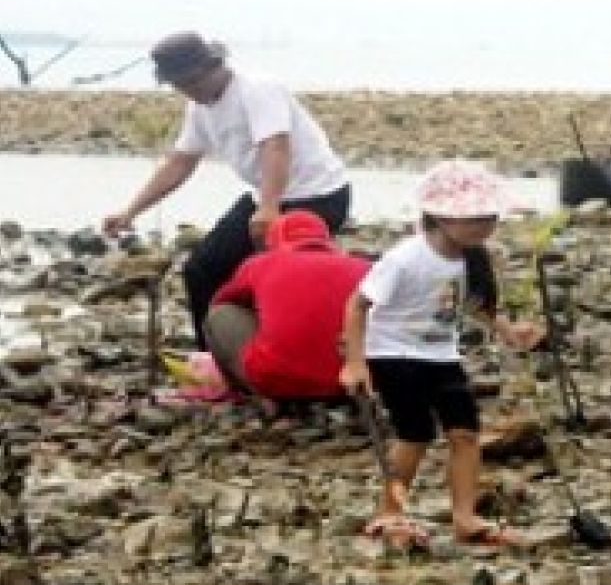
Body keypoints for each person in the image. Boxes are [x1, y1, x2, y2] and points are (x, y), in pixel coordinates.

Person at [101, 31, 351, 348]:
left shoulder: (257, 89)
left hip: (318, 195)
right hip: (266, 195)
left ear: (212, 67)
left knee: (283, 279)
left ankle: (292, 349)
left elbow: (275, 145)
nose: (187, 92)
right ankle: (216, 358)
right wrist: (130, 211)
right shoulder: (200, 107)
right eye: (179, 86)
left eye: (190, 82)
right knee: (202, 269)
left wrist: (269, 208)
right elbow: (181, 162)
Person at [339, 160, 543, 548]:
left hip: (441, 354)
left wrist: (508, 331)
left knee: (465, 433)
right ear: (440, 217)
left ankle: (465, 518)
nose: (485, 227)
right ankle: (390, 510)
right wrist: (355, 363)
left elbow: (476, 304)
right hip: (394, 352)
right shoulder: (405, 258)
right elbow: (357, 305)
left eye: (490, 218)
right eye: (475, 219)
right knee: (415, 433)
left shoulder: (472, 257)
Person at [205, 210, 369, 401]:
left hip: (278, 382)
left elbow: (222, 300)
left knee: (219, 315)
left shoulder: (261, 263)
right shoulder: (362, 266)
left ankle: (246, 393)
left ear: (273, 243)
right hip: (350, 379)